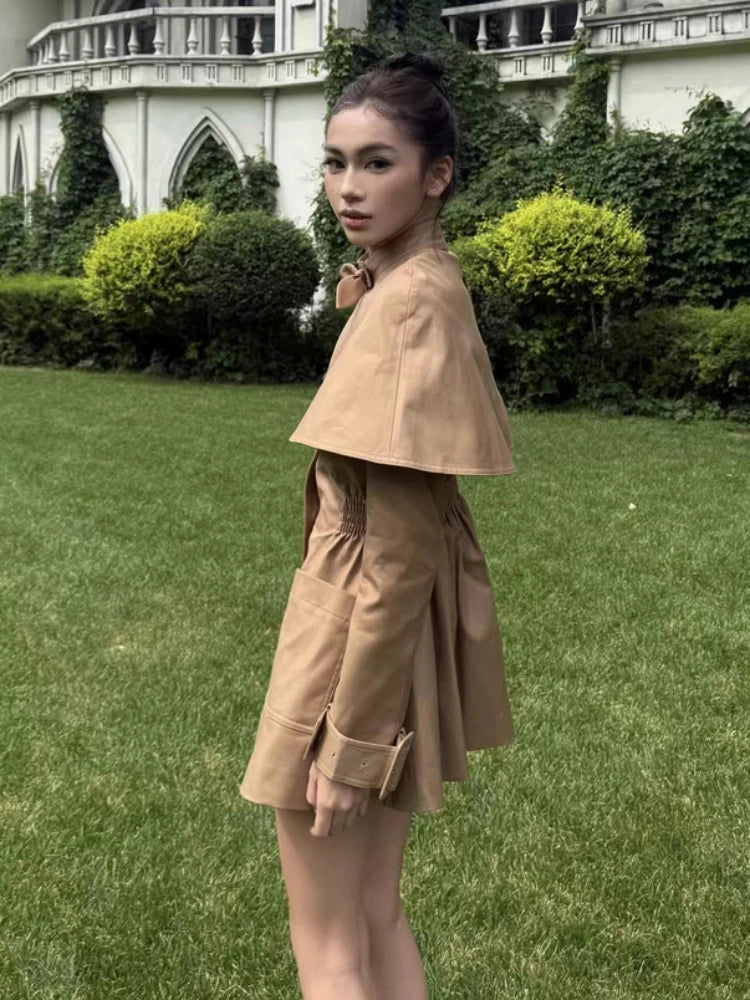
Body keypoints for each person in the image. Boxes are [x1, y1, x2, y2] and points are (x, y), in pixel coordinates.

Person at [238, 50, 517, 1000]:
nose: (347, 189)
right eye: (334, 162)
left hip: (352, 639)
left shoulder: (409, 308)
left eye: (377, 163)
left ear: (436, 176)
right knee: (368, 913)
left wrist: (352, 744)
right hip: (378, 637)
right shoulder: (413, 282)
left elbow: (395, 555)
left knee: (328, 941)